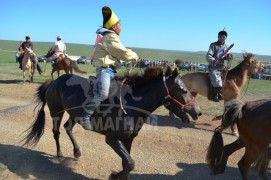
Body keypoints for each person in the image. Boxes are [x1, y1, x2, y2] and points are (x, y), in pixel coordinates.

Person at [80, 6, 139, 130]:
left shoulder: (111, 37)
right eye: (120, 25)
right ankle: (85, 116)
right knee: (103, 93)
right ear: (113, 27)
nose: (121, 28)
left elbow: (120, 51)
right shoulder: (110, 37)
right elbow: (122, 53)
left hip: (111, 70)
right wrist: (134, 56)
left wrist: (128, 53)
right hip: (104, 70)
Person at [206, 30, 233, 102]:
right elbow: (208, 55)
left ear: (226, 38)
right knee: (217, 81)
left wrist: (229, 57)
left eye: (223, 37)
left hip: (222, 68)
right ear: (218, 37)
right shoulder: (213, 45)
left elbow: (226, 57)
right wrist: (213, 60)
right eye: (220, 37)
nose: (221, 38)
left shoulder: (227, 47)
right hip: (213, 67)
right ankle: (215, 95)